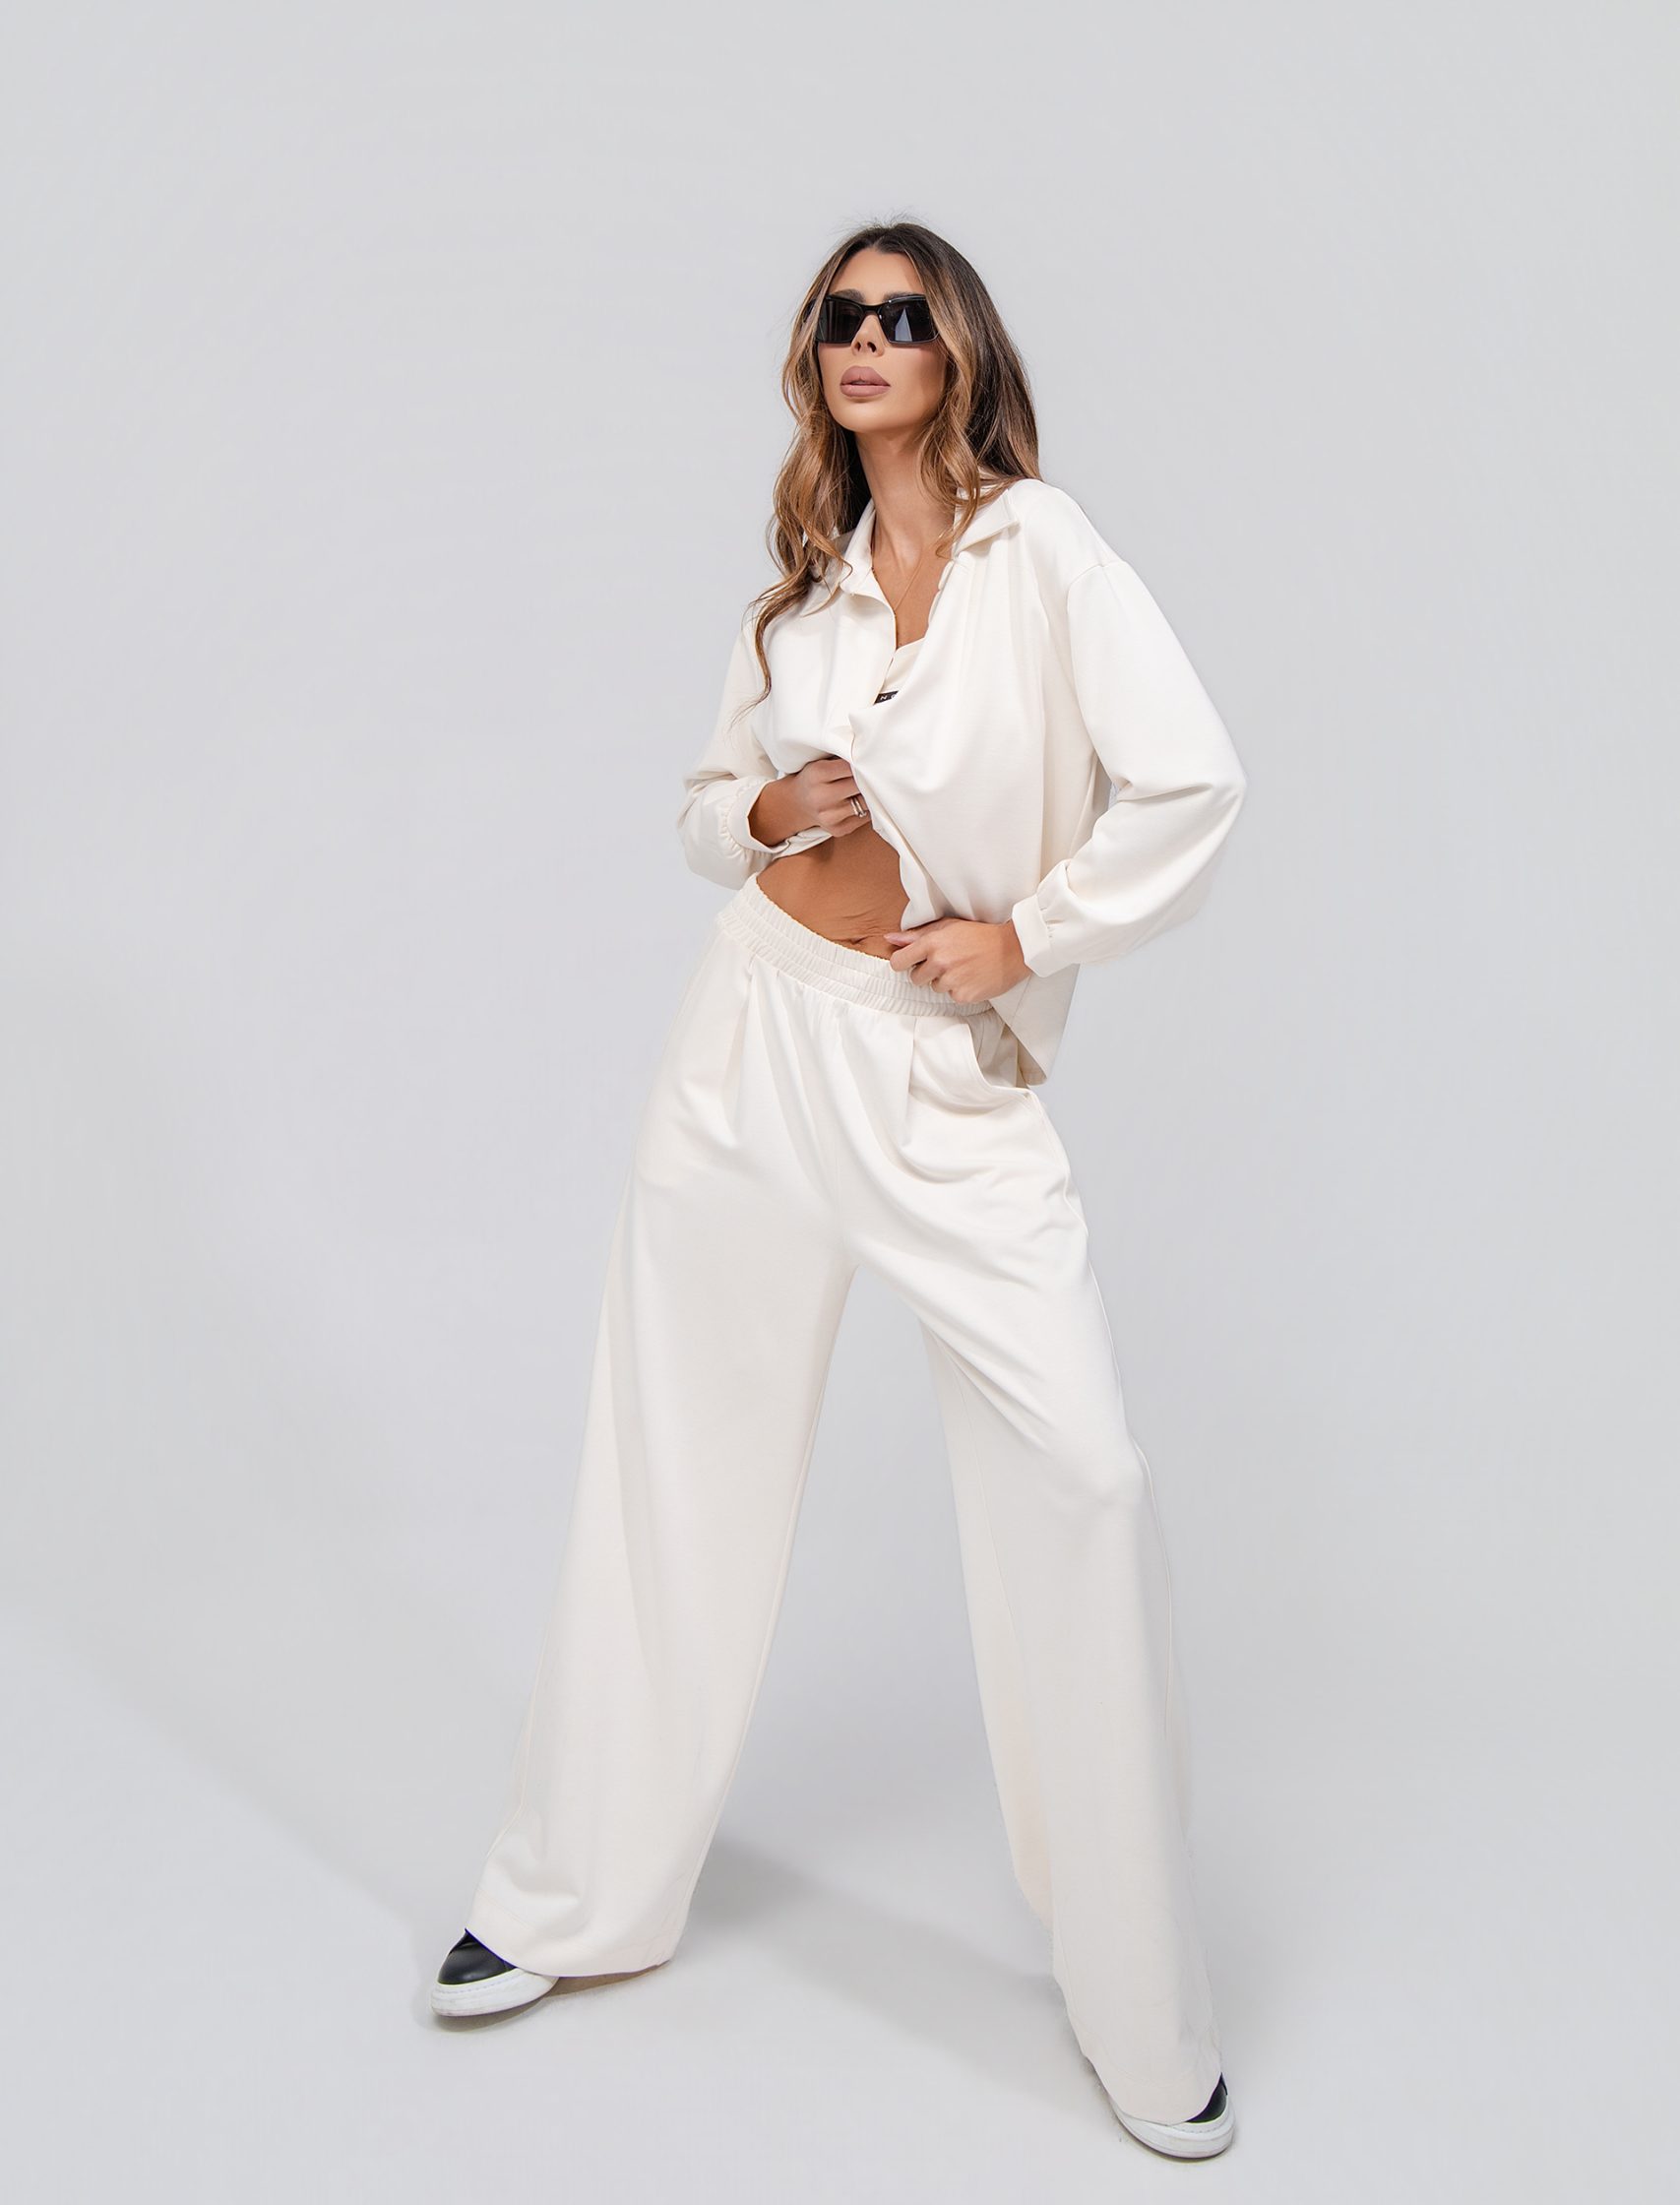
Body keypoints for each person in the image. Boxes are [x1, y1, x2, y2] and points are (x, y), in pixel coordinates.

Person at [429, 220, 1248, 2162]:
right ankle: (575, 1891)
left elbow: (1191, 782)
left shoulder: (1046, 555)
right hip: (744, 1052)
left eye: (900, 315)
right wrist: (757, 811)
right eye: (835, 317)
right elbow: (703, 813)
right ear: (813, 360)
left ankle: (1141, 2001)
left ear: (958, 352)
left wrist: (1027, 934)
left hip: (936, 1081)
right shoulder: (795, 597)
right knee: (671, 1459)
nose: (864, 338)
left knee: (1083, 1474)